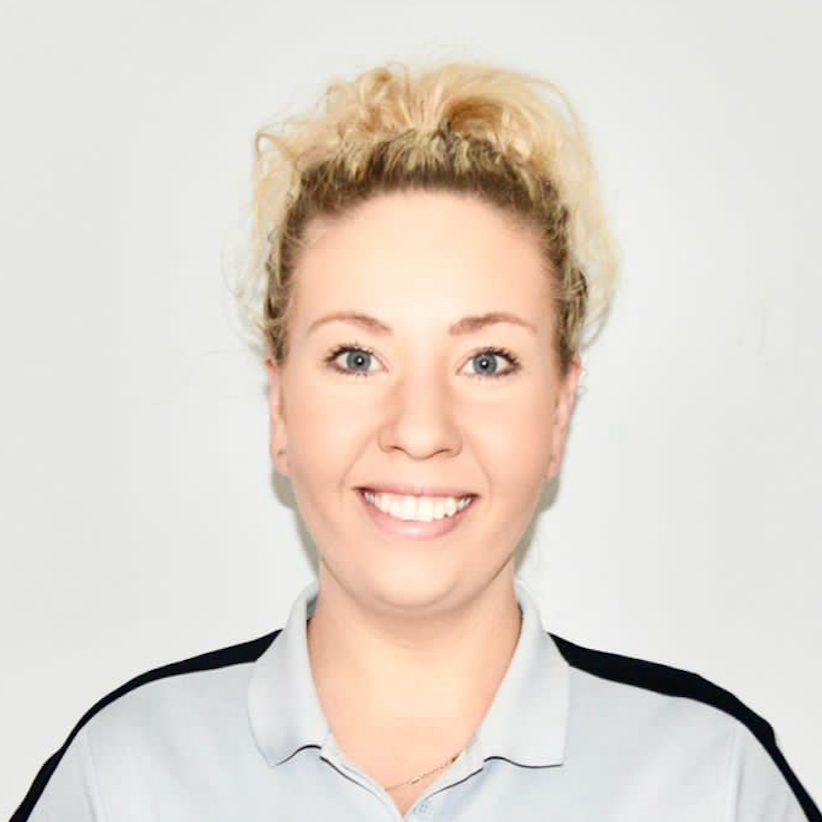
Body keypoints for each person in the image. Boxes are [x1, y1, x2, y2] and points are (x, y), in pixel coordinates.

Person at [10, 60, 820, 822]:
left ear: (559, 415)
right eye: (357, 358)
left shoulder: (710, 781)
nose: (421, 430)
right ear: (281, 410)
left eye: (487, 360)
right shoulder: (125, 777)